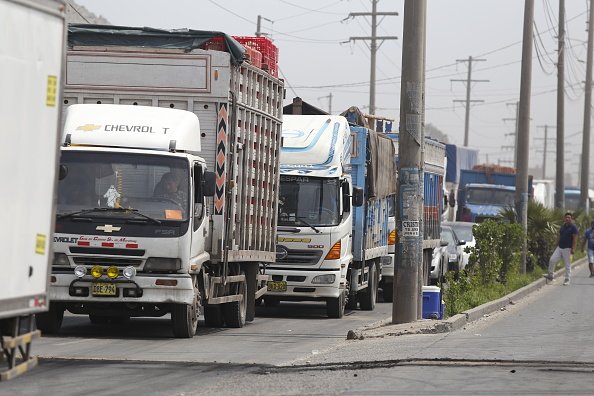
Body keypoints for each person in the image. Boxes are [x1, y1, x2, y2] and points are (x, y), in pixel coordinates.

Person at [545, 212, 578, 285]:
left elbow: (575, 239)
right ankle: (550, 275)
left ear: (571, 219)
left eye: (569, 217)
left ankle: (567, 279)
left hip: (568, 249)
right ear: (564, 218)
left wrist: (573, 249)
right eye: (566, 217)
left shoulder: (573, 227)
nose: (567, 218)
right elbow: (559, 236)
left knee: (567, 265)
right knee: (552, 260)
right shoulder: (563, 226)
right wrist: (555, 245)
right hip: (559, 247)